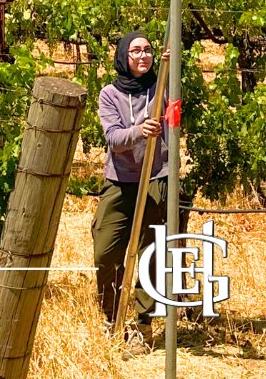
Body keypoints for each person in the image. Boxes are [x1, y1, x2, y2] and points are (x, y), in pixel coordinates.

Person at [91, 31, 169, 349]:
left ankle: (141, 325)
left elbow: (175, 106)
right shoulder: (109, 94)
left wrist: (169, 70)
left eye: (148, 50)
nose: (143, 56)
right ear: (123, 56)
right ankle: (112, 318)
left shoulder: (160, 87)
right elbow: (113, 138)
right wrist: (140, 131)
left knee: (152, 255)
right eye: (135, 51)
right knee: (105, 252)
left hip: (155, 180)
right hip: (119, 182)